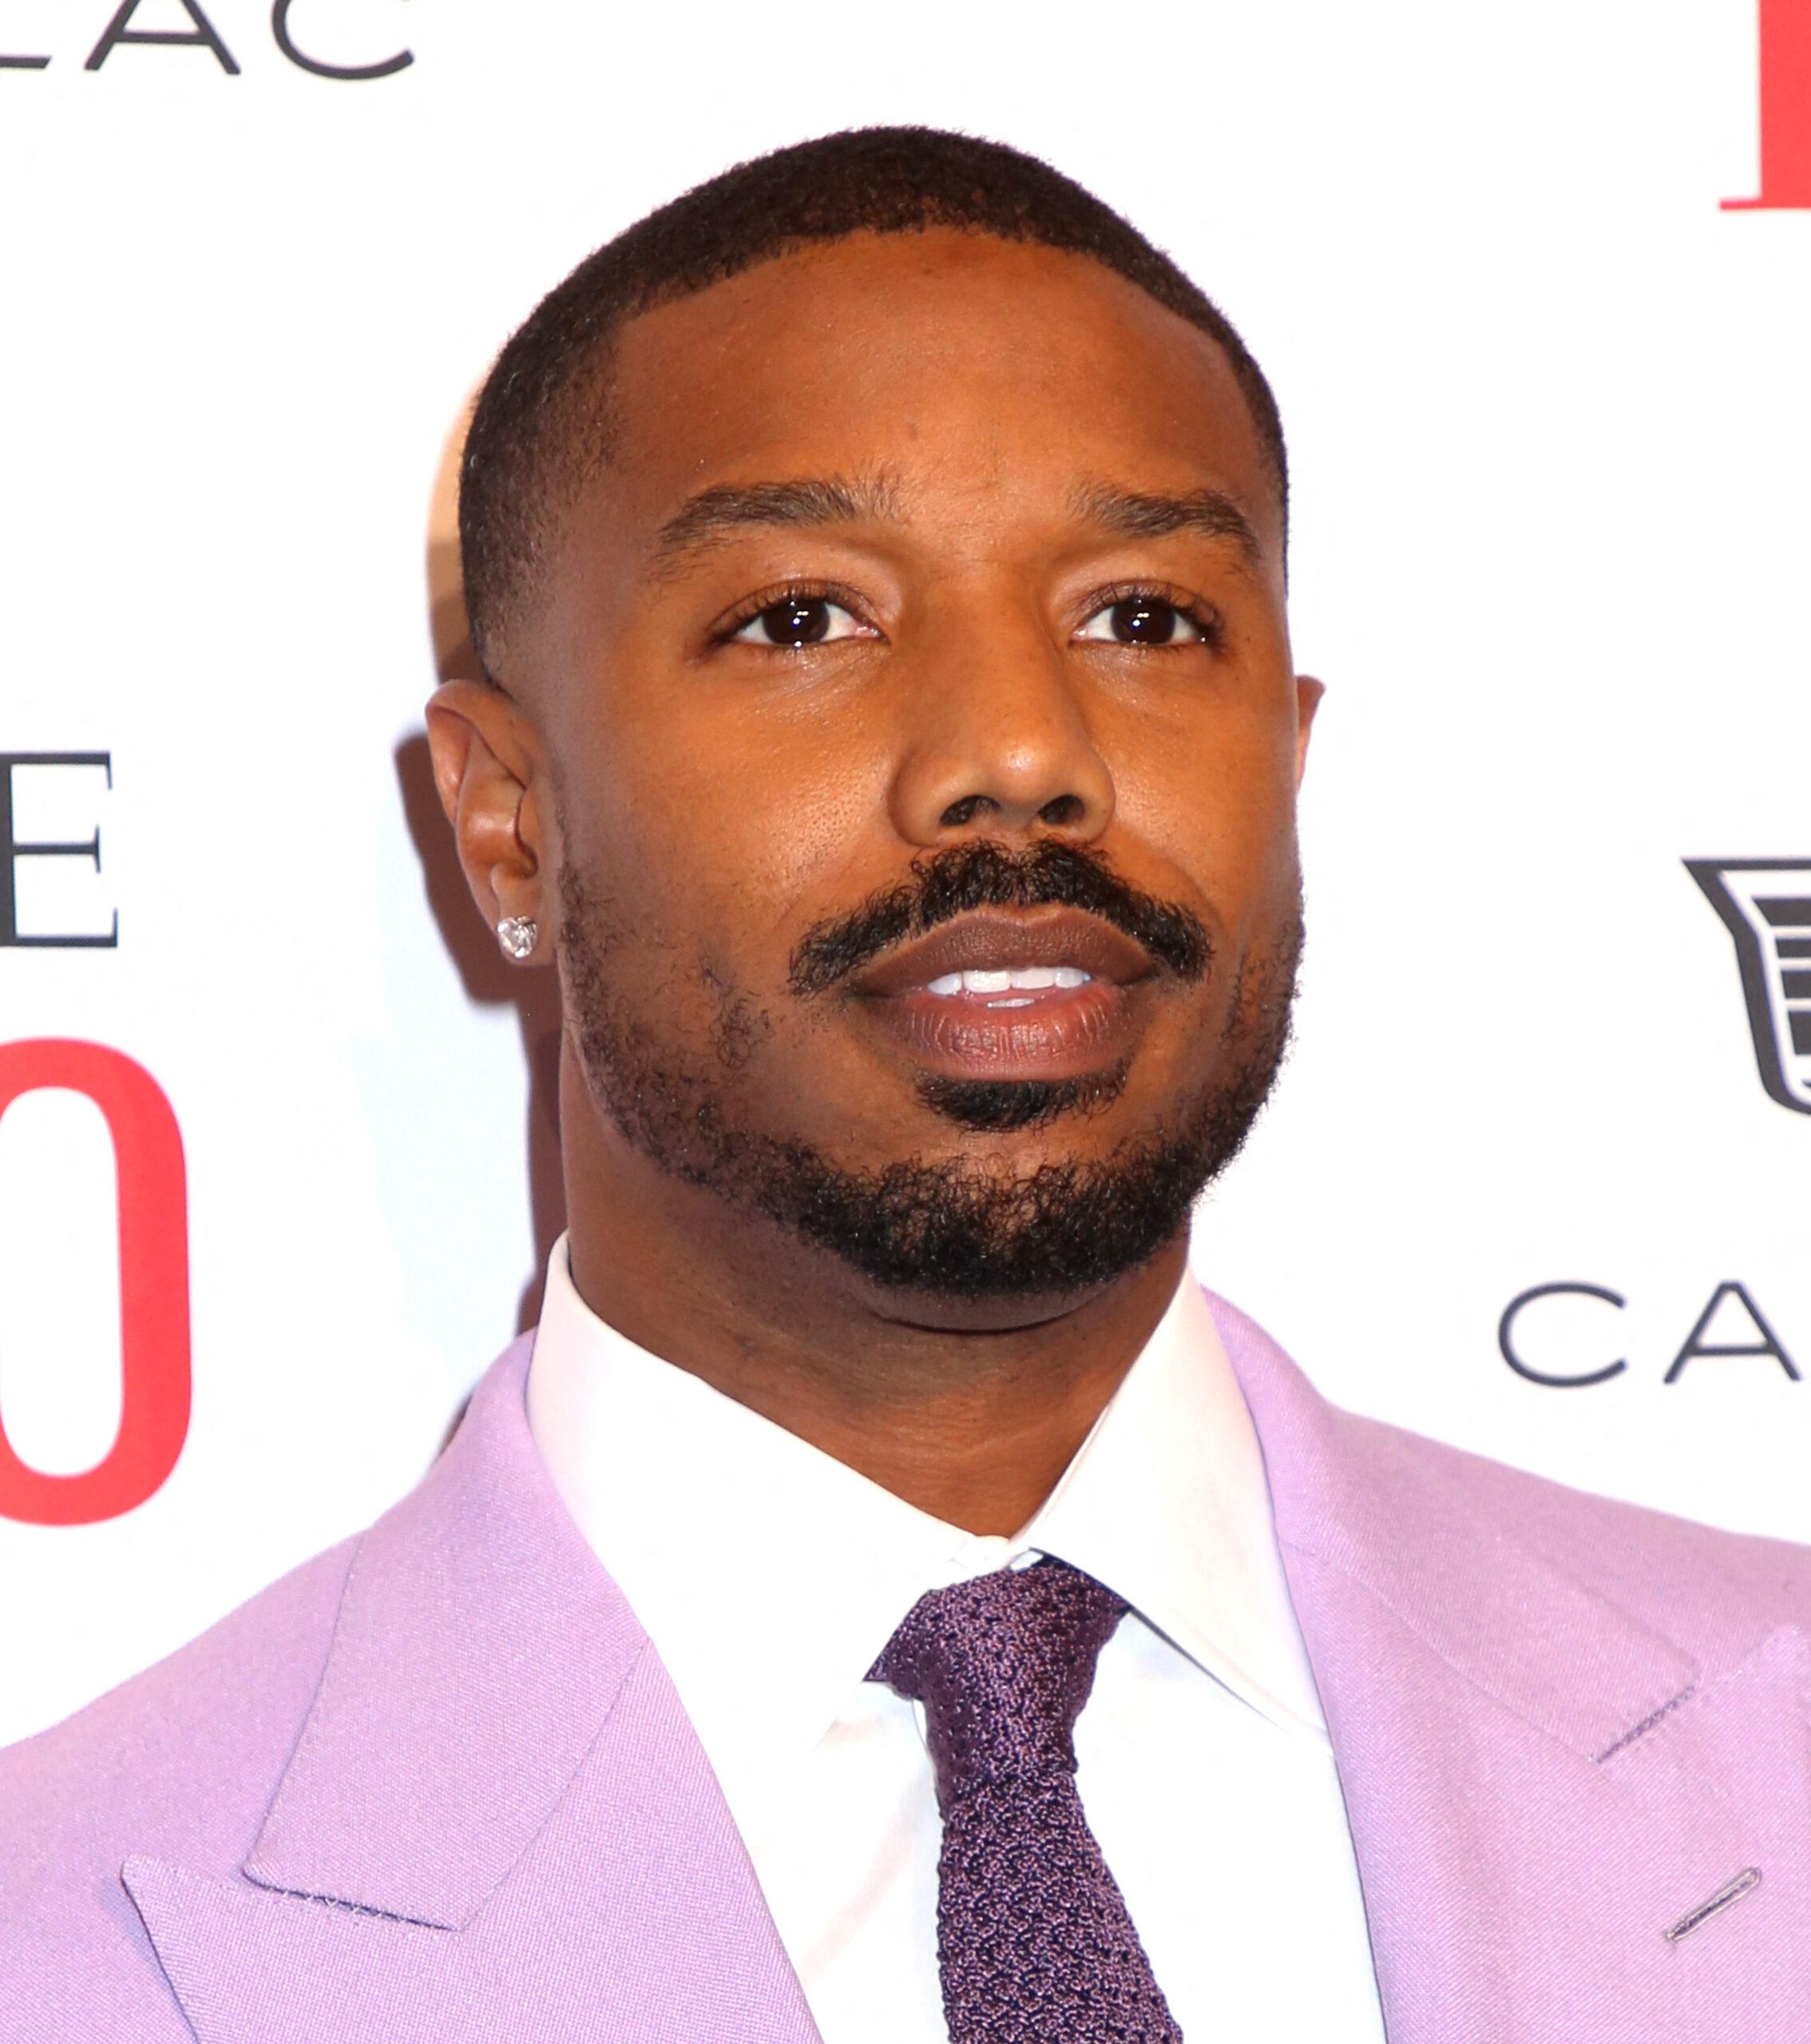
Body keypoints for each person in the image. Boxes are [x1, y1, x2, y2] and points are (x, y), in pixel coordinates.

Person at [2, 125, 1805, 2044]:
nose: (1025, 750)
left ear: (1288, 757)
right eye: (804, 618)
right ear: (508, 824)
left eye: (1145, 616)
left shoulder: (1773, 1725)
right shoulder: (66, 1938)